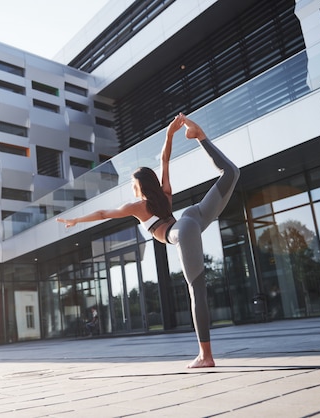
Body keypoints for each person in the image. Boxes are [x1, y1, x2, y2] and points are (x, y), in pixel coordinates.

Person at [57, 113, 240, 368]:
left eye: (132, 183)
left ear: (139, 186)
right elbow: (164, 158)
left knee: (196, 291)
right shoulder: (164, 194)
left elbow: (102, 214)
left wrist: (76, 221)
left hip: (184, 229)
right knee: (231, 172)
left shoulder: (137, 206)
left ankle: (205, 356)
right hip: (193, 217)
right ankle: (201, 138)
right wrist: (168, 135)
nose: (131, 186)